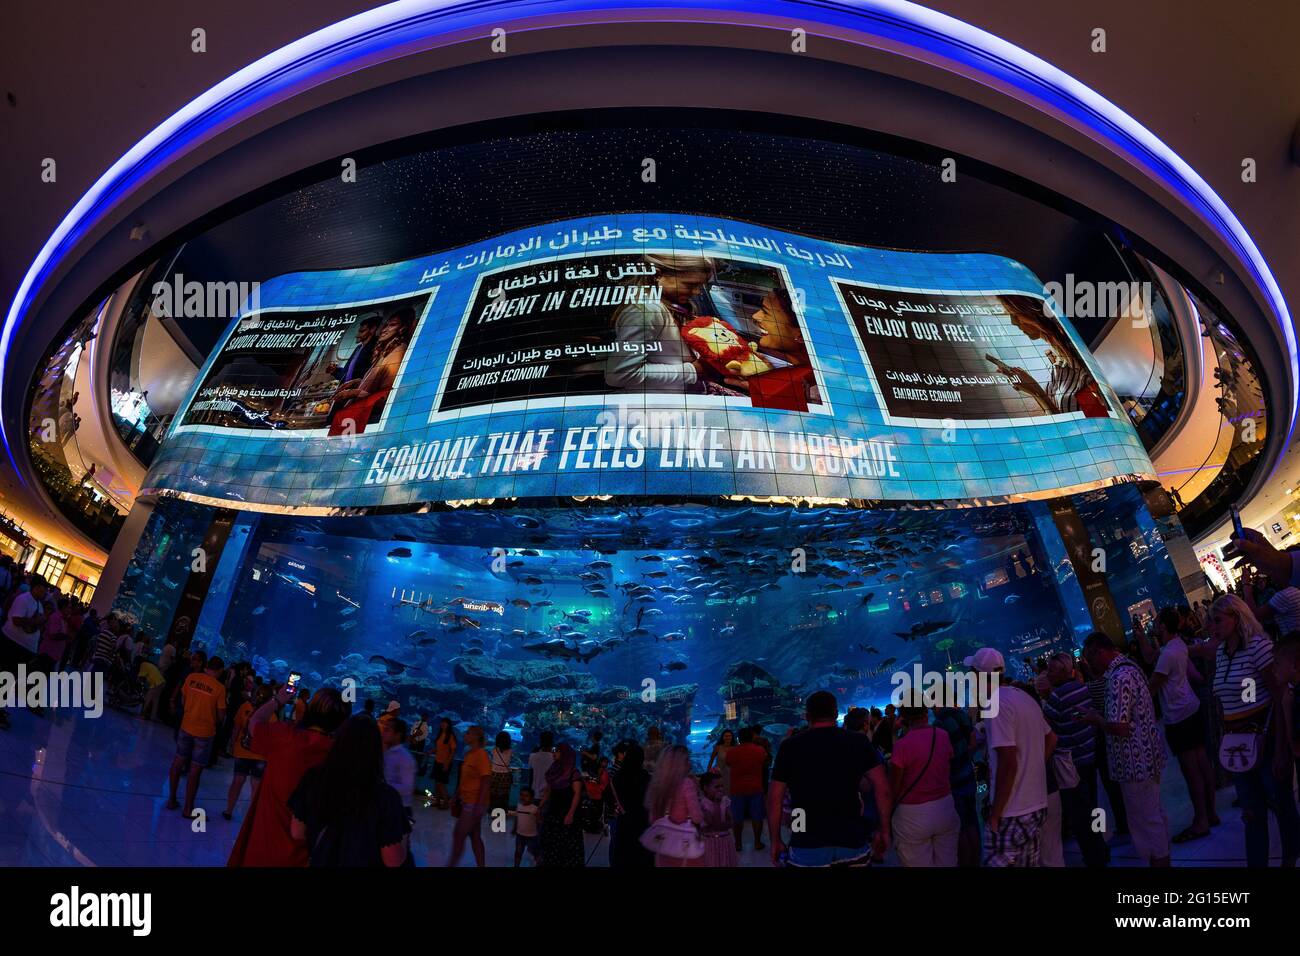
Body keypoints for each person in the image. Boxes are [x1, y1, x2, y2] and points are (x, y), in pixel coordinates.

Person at [1207, 595, 1299, 866]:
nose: (1212, 626)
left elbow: (1280, 695)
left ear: (1236, 617)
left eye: (1217, 620)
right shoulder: (1222, 653)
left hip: (1265, 737)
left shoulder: (1258, 647)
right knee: (1251, 811)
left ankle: (1289, 858)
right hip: (1237, 743)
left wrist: (1282, 748)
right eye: (1210, 621)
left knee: (1281, 804)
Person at [228, 687, 349, 867]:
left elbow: (255, 721)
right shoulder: (339, 757)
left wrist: (277, 700)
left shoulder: (284, 736)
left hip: (262, 846)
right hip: (303, 855)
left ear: (310, 709)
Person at [768, 690, 891, 867]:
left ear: (807, 716)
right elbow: (883, 788)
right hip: (852, 835)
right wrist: (884, 829)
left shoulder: (789, 746)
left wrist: (775, 840)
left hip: (805, 837)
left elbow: (774, 799)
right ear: (836, 713)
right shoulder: (858, 741)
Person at [1079, 633, 1171, 866]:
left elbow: (1119, 727)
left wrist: (1096, 719)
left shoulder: (1119, 678)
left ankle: (1159, 863)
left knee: (1145, 821)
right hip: (1146, 756)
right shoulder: (1131, 667)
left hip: (1134, 762)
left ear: (1100, 652)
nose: (1090, 665)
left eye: (1090, 659)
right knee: (1153, 815)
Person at [970, 647, 1056, 867]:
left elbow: (1007, 761)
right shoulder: (1023, 697)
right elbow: (1051, 739)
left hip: (1012, 812)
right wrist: (1032, 771)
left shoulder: (995, 705)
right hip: (1037, 804)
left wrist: (995, 814)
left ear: (979, 675)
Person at [289, 716, 408, 867]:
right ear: (375, 749)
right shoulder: (386, 797)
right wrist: (404, 836)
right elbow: (393, 860)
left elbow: (297, 832)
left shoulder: (313, 778)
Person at [1150, 607, 1217, 844]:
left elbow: (1153, 686)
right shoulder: (1178, 645)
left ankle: (1200, 821)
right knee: (1202, 763)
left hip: (1178, 716)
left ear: (1163, 627)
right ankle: (1211, 813)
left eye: (1157, 623)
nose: (1154, 626)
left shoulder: (1168, 653)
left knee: (1191, 772)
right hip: (1192, 708)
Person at [1040, 652, 1109, 867]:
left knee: (1080, 815)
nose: (1048, 675)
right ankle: (1102, 847)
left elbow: (1048, 730)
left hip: (1071, 764)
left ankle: (1093, 856)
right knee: (1094, 806)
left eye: (1051, 670)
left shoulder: (1056, 697)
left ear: (1061, 672)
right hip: (1089, 756)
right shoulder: (1082, 687)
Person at [888, 705, 959, 867]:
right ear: (925, 712)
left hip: (912, 816)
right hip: (945, 807)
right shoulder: (943, 735)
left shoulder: (902, 745)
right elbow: (948, 764)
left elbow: (895, 786)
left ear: (903, 717)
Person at [645, 745, 705, 867]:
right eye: (687, 760)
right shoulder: (686, 783)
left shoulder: (657, 784)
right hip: (684, 847)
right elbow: (697, 817)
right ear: (681, 764)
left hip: (663, 845)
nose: (690, 763)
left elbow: (653, 819)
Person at [224, 685, 271, 820]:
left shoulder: (245, 706)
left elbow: (237, 727)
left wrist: (232, 744)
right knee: (256, 785)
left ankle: (229, 810)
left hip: (242, 750)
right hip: (260, 755)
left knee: (238, 781)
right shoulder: (271, 713)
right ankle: (252, 817)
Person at [447, 725, 492, 867]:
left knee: (459, 835)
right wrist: (456, 795)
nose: (465, 735)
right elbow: (464, 779)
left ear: (476, 737)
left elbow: (486, 780)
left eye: (468, 733)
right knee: (475, 837)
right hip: (466, 800)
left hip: (473, 802)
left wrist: (480, 804)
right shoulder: (469, 754)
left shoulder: (481, 755)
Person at [538, 743, 585, 867]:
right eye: (554, 750)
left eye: (557, 751)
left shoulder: (574, 772)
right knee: (551, 844)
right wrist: (540, 806)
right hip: (553, 811)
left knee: (567, 845)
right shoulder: (553, 769)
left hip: (567, 812)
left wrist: (571, 813)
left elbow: (577, 794)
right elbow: (549, 790)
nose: (554, 753)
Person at [608, 742, 653, 867]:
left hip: (625, 819)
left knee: (624, 853)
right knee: (641, 855)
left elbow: (613, 796)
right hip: (642, 820)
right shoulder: (646, 777)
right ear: (641, 759)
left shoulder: (617, 776)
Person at [724, 726, 767, 852]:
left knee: (737, 817)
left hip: (737, 788)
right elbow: (764, 762)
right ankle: (758, 842)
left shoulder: (732, 752)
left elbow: (728, 763)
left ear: (739, 738)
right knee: (757, 817)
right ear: (752, 737)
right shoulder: (760, 750)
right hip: (756, 788)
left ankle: (738, 844)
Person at [379, 715, 417, 825]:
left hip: (400, 809)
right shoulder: (385, 752)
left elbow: (407, 788)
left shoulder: (405, 758)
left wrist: (382, 786)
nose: (383, 732)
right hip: (386, 806)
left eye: (387, 730)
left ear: (398, 735)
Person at [699, 771, 738, 867]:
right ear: (706, 788)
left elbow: (731, 822)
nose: (720, 789)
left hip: (725, 841)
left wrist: (723, 825)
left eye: (722, 786)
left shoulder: (725, 800)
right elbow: (714, 823)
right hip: (710, 843)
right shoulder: (703, 804)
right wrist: (717, 803)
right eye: (716, 787)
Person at [430, 718, 457, 809]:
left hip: (444, 763)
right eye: (442, 723)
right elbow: (439, 748)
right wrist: (431, 751)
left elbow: (453, 751)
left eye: (445, 723)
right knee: (437, 783)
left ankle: (446, 802)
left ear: (448, 725)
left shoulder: (450, 736)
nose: (442, 724)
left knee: (441, 783)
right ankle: (437, 800)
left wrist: (447, 763)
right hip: (437, 761)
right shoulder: (440, 734)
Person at [511, 787, 541, 867]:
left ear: (531, 798)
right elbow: (517, 818)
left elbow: (538, 822)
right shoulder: (519, 806)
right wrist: (514, 828)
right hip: (520, 834)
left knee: (534, 851)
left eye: (526, 796)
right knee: (518, 852)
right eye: (521, 795)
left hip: (532, 836)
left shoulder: (534, 809)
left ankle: (538, 861)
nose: (523, 797)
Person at [489, 731, 515, 812]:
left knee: (493, 793)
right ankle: (502, 812)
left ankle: (492, 810)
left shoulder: (493, 750)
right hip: (505, 775)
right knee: (504, 795)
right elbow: (512, 760)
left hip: (494, 774)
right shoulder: (511, 751)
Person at [528, 730, 555, 802]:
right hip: (549, 793)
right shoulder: (554, 758)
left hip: (534, 791)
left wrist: (530, 790)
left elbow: (531, 774)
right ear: (552, 742)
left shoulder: (533, 756)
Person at [707, 728, 736, 793]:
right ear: (722, 737)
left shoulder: (735, 748)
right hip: (719, 774)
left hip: (732, 774)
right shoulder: (717, 747)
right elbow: (711, 760)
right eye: (726, 736)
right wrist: (708, 772)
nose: (728, 738)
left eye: (729, 736)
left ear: (732, 737)